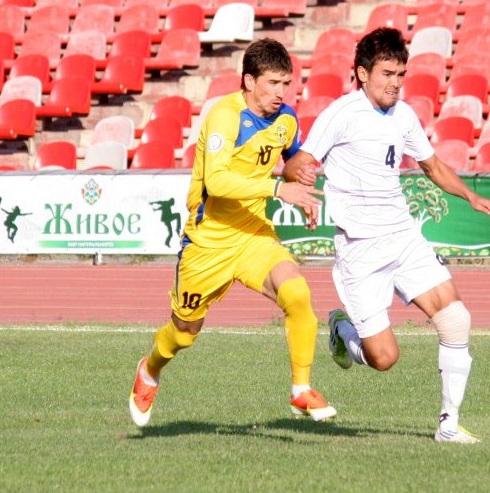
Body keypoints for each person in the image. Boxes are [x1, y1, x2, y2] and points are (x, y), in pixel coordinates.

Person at [288, 27, 490, 444]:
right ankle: (342, 331)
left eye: (401, 74)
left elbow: (432, 165)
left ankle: (448, 426)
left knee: (455, 319)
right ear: (362, 73)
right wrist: (302, 182)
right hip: (361, 250)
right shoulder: (341, 113)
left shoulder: (403, 115)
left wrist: (470, 196)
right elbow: (300, 162)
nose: (395, 83)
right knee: (384, 358)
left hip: (403, 236)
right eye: (387, 74)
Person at [129, 38, 336, 427]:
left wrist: (301, 181)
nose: (281, 92)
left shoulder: (287, 119)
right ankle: (150, 369)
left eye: (285, 83)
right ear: (249, 81)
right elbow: (218, 181)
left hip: (253, 233)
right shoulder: (225, 116)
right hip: (208, 241)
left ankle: (301, 390)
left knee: (296, 292)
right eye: (272, 83)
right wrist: (279, 189)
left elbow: (292, 159)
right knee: (184, 333)